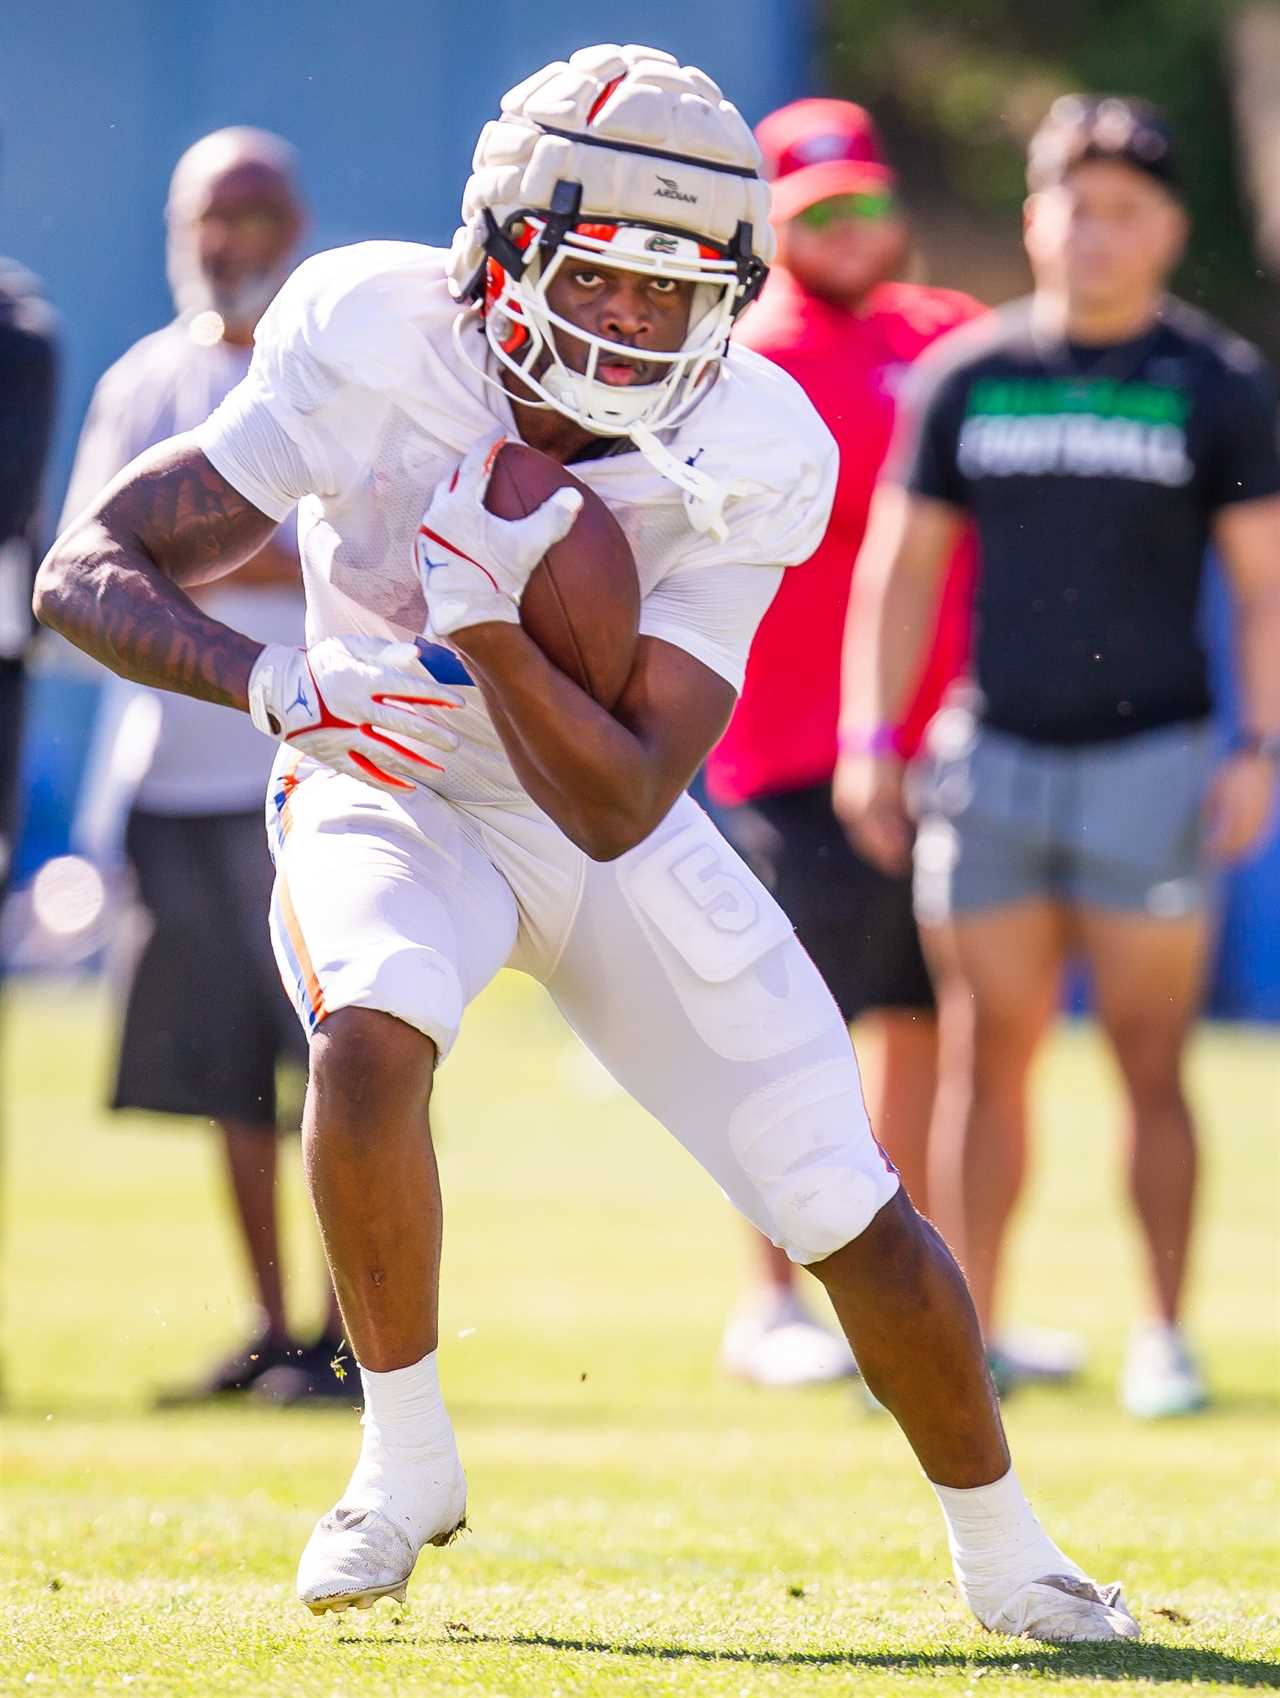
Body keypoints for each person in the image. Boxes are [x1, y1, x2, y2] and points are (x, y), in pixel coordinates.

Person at [36, 45, 1138, 1641]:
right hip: (389, 782)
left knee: (842, 1196)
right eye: (601, 278)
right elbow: (93, 563)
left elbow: (624, 797)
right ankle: (400, 1456)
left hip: (597, 814)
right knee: (370, 1030)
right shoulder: (373, 329)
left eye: (674, 294)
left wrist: (484, 623)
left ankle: (1008, 1548)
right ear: (501, 249)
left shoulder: (757, 442)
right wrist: (275, 681)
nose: (633, 325)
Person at [836, 96, 1280, 1419]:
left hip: (1154, 759)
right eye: (1073, 206)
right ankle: (968, 1321)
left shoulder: (1216, 382)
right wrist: (874, 735)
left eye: (1124, 211)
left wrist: (1256, 746)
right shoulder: (966, 373)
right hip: (998, 762)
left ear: (1168, 231)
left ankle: (1163, 1331)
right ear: (1036, 221)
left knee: (1152, 1056)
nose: (1095, 233)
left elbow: (1263, 589)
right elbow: (899, 569)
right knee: (986, 1052)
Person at [60, 127, 345, 1405]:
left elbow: (359, 549)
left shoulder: (329, 373)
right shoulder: (142, 383)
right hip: (174, 772)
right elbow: (83, 571)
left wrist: (204, 558)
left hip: (317, 765)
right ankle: (270, 1324)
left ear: (294, 229)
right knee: (224, 1071)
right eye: (203, 220)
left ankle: (353, 1328)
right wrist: (242, 555)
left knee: (345, 1058)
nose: (224, 242)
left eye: (249, 216)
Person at [706, 98, 983, 1389]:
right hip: (780, 746)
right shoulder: (737, 356)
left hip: (937, 748)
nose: (849, 228)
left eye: (865, 203)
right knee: (786, 1033)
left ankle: (908, 1289)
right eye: (819, 210)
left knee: (919, 1027)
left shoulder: (944, 339)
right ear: (774, 225)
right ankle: (771, 1305)